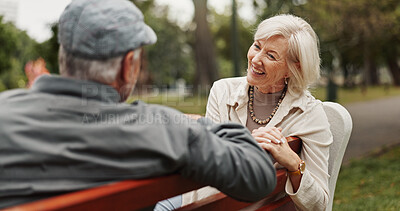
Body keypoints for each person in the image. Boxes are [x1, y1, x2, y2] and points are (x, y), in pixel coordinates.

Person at [0, 0, 277, 208]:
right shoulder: (158, 129)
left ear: (64, 57)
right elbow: (259, 173)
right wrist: (199, 125)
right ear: (128, 65)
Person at [183, 14, 333, 211]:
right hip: (202, 202)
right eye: (256, 46)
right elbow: (208, 160)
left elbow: (319, 205)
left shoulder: (309, 113)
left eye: (271, 55)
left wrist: (294, 163)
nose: (256, 59)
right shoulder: (222, 91)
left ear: (293, 68)